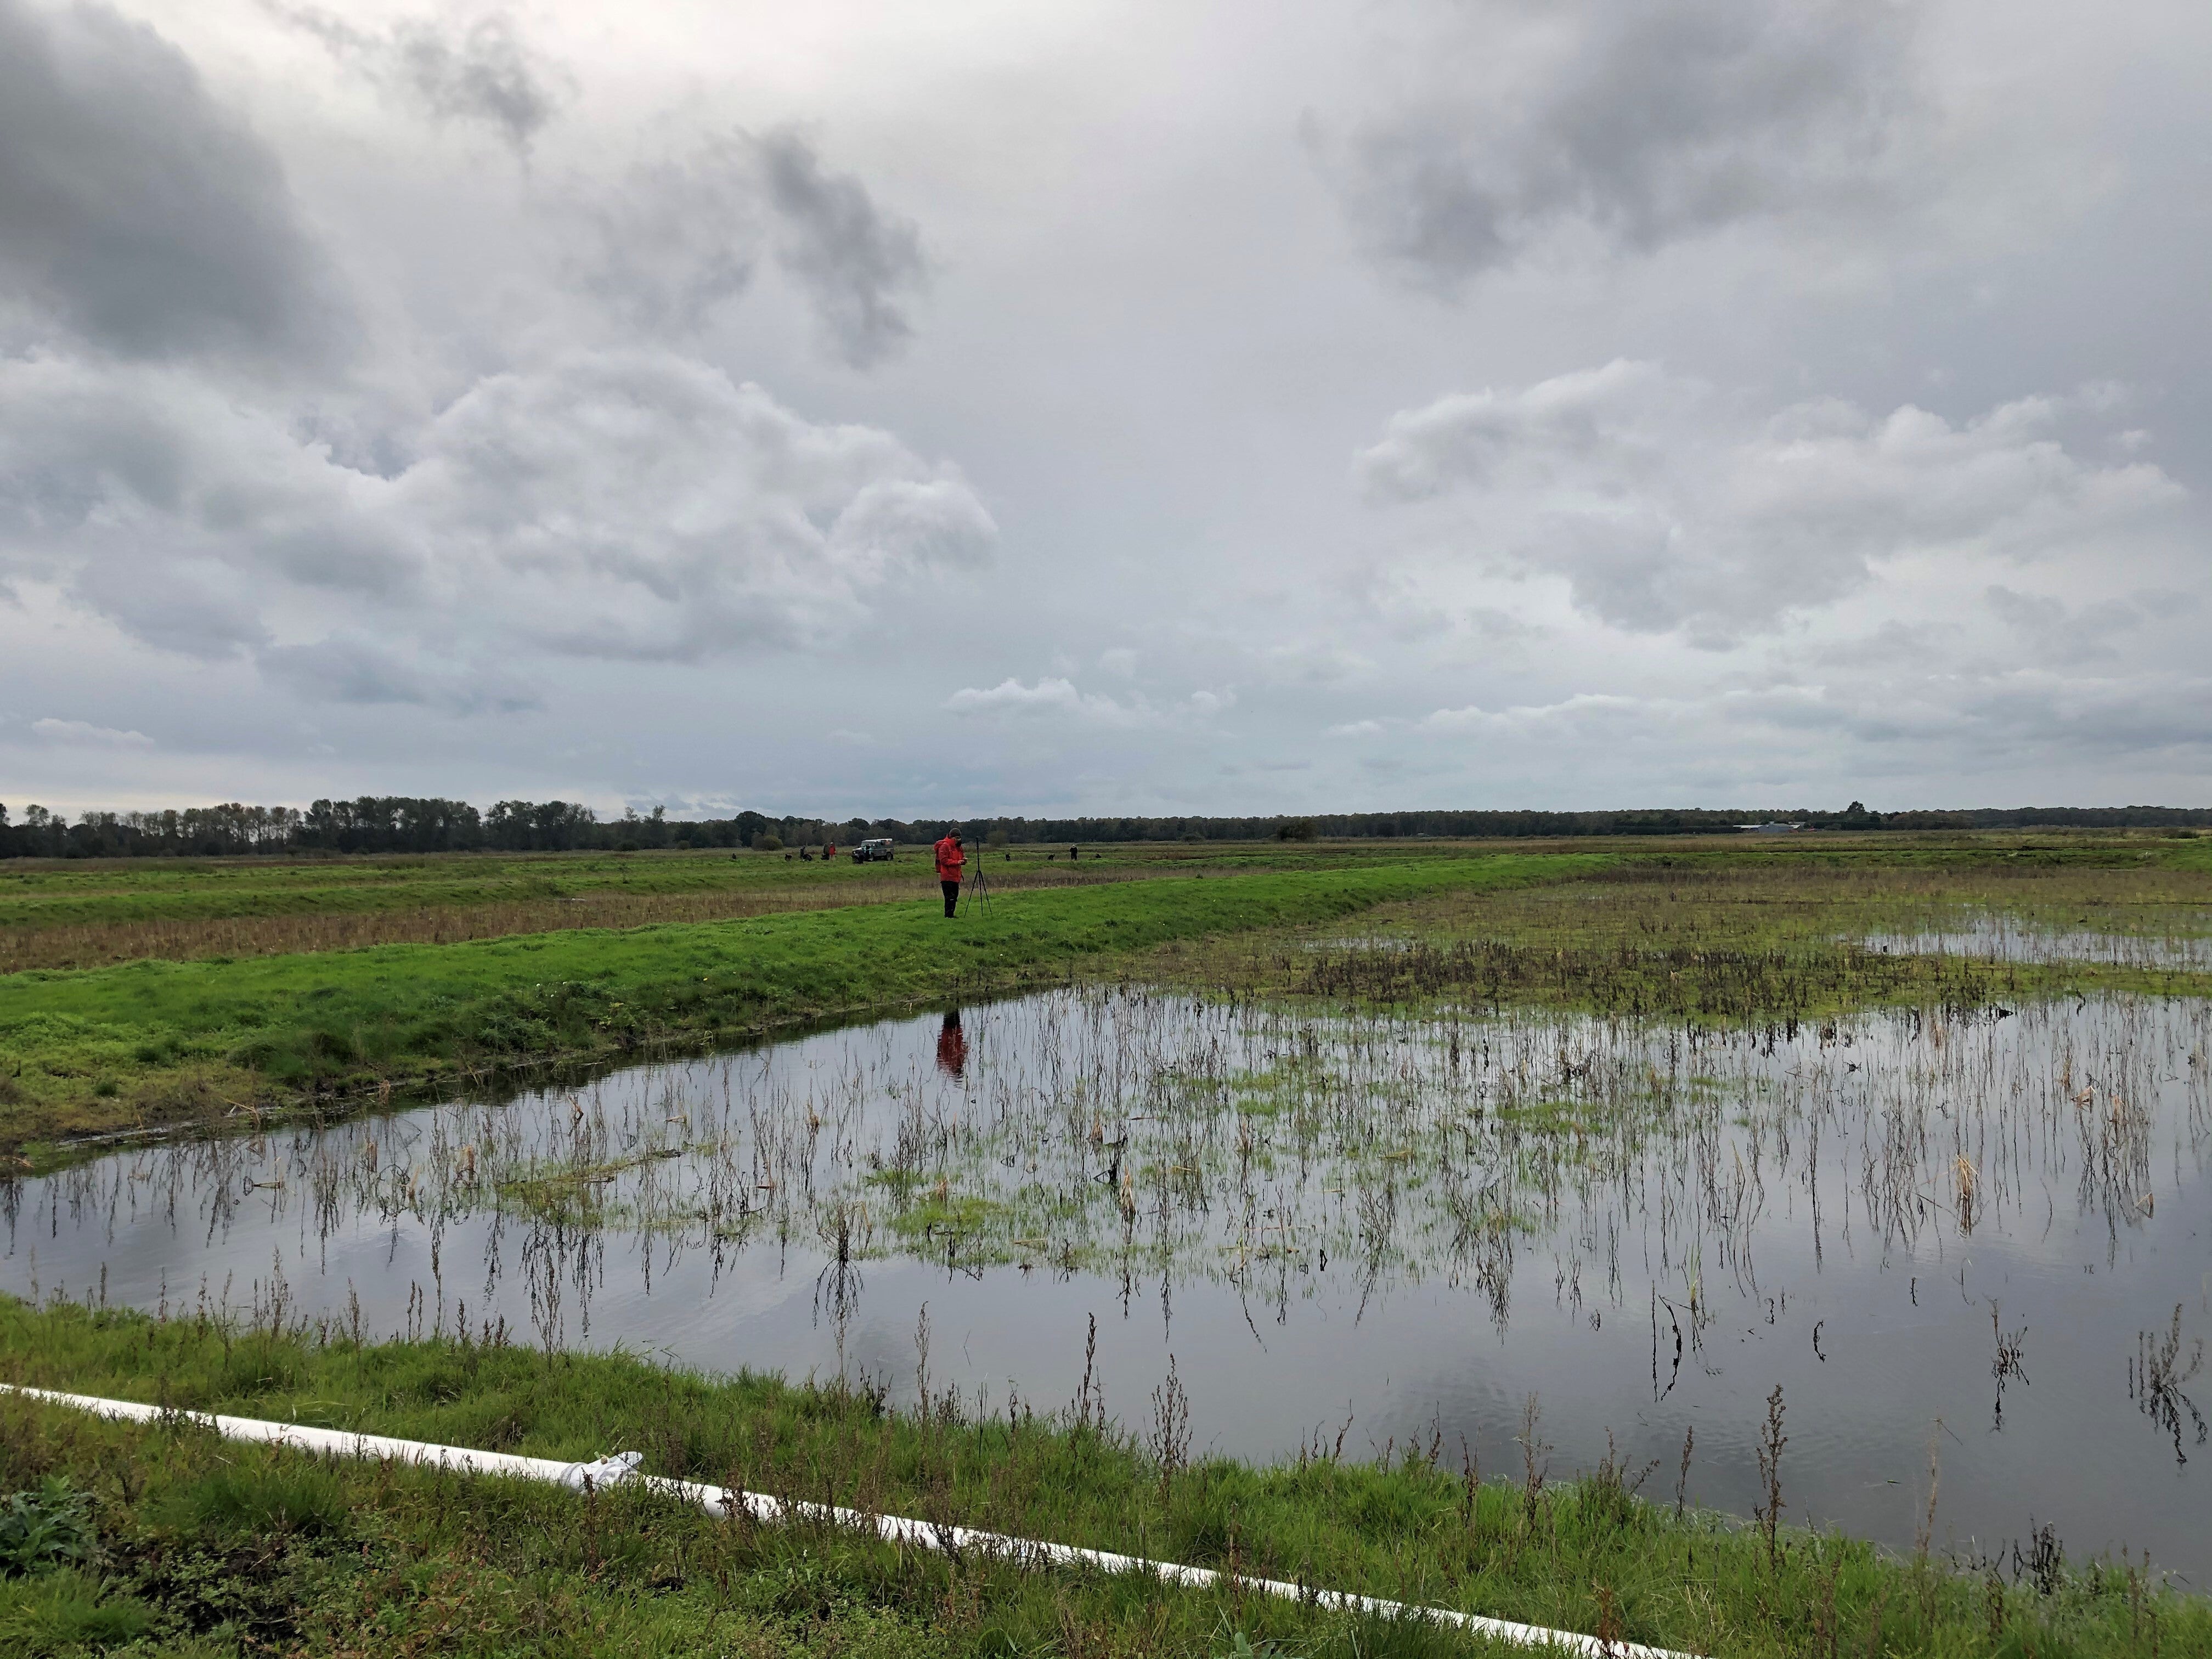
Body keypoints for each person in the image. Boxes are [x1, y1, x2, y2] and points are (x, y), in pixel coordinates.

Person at [934, 830, 966, 916]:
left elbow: (960, 858)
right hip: (947, 877)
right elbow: (944, 861)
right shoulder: (944, 846)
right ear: (952, 838)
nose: (959, 840)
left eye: (960, 838)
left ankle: (951, 914)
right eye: (957, 838)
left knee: (955, 897)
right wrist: (957, 862)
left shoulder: (958, 848)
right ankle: (948, 915)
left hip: (956, 876)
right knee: (949, 897)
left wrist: (963, 861)